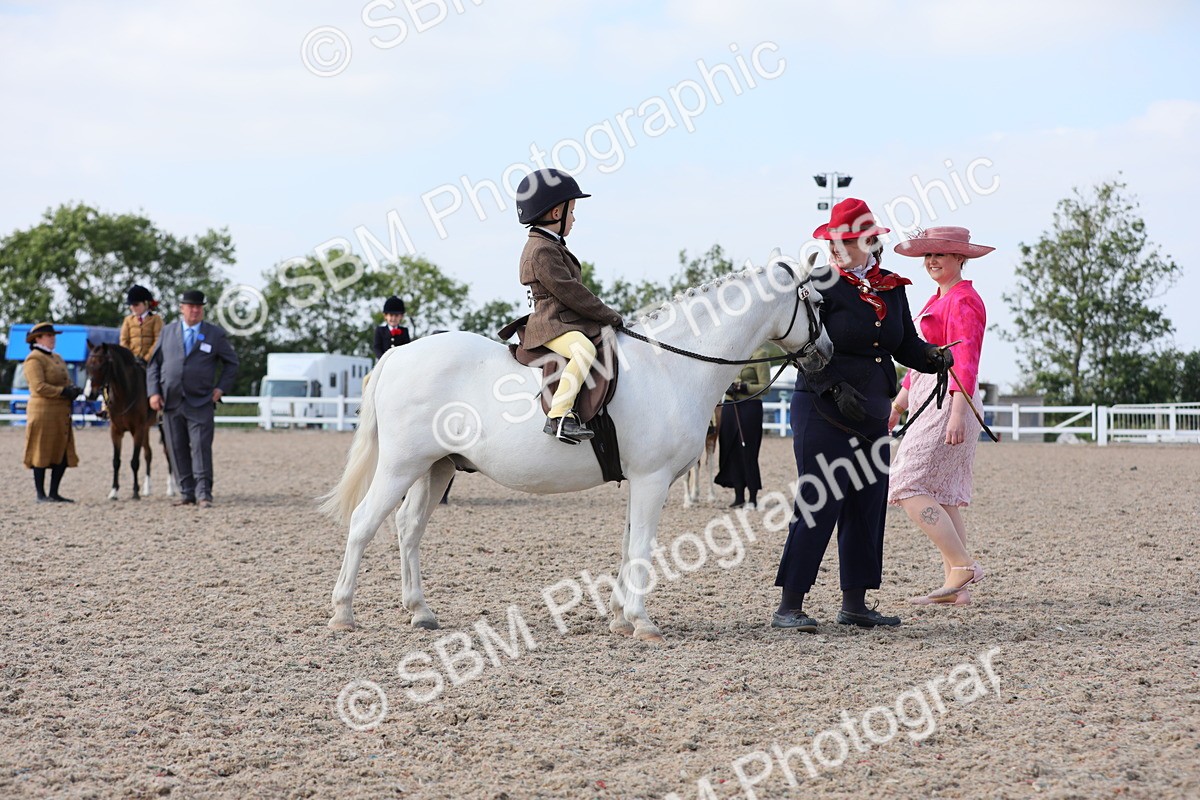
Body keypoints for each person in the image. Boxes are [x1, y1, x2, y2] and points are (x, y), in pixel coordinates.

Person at [773, 198, 952, 632]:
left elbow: (904, 343)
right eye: (832, 241)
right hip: (822, 407)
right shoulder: (816, 285)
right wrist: (832, 385)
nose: (836, 248)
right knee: (819, 501)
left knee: (867, 504)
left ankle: (855, 602)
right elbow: (800, 345)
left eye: (846, 242)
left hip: (872, 411)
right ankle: (789, 605)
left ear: (869, 243)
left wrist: (931, 357)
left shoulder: (892, 288)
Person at [887, 227, 993, 605]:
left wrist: (957, 413)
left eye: (941, 255)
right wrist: (898, 406)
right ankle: (956, 587)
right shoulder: (939, 298)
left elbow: (965, 360)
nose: (932, 261)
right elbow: (922, 361)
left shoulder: (964, 300)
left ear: (960, 258)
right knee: (942, 491)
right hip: (930, 396)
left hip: (949, 400)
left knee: (905, 483)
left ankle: (962, 565)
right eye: (928, 255)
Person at [514, 168, 622, 444]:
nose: (574, 218)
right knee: (584, 350)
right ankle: (559, 416)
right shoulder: (541, 250)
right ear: (556, 213)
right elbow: (572, 293)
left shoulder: (550, 244)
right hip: (551, 324)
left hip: (562, 320)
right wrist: (609, 315)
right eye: (571, 212)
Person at [147, 290, 239, 508]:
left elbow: (232, 363)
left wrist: (221, 388)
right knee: (176, 447)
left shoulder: (214, 334)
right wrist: (153, 392)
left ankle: (203, 493)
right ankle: (186, 492)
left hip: (201, 401)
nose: (195, 310)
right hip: (171, 401)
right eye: (190, 306)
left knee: (200, 447)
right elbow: (154, 365)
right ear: (182, 308)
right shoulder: (167, 332)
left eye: (198, 307)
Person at [21, 322, 84, 503]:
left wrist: (72, 389)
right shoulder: (34, 359)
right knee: (41, 451)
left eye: (53, 335)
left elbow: (65, 380)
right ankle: (40, 494)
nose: (53, 338)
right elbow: (39, 386)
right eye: (49, 335)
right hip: (43, 411)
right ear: (37, 339)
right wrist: (63, 392)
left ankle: (54, 492)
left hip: (60, 412)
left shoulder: (57, 357)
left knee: (62, 451)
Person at [714, 343, 772, 509]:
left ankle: (752, 497)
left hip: (750, 406)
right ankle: (738, 495)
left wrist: (743, 387)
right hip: (730, 405)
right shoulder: (734, 352)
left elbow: (765, 386)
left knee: (747, 450)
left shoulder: (760, 355)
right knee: (730, 448)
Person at [119, 284, 164, 364]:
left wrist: (146, 358)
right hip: (132, 360)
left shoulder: (156, 319)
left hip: (151, 360)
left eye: (136, 304)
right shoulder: (128, 320)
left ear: (146, 303)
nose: (132, 307)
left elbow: (158, 340)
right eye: (131, 305)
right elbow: (124, 341)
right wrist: (130, 357)